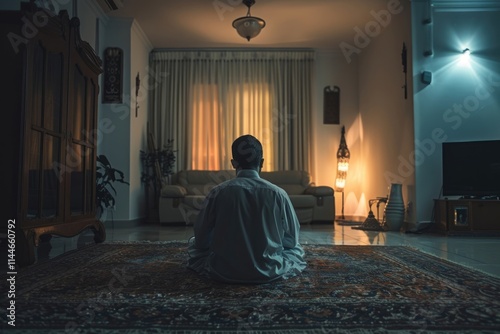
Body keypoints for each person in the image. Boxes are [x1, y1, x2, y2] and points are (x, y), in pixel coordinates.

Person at [187, 134, 306, 283]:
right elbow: (292, 240)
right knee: (297, 249)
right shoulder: (278, 194)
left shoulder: (217, 192)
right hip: (270, 270)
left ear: (233, 163)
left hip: (223, 271)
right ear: (261, 162)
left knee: (192, 243)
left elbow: (201, 240)